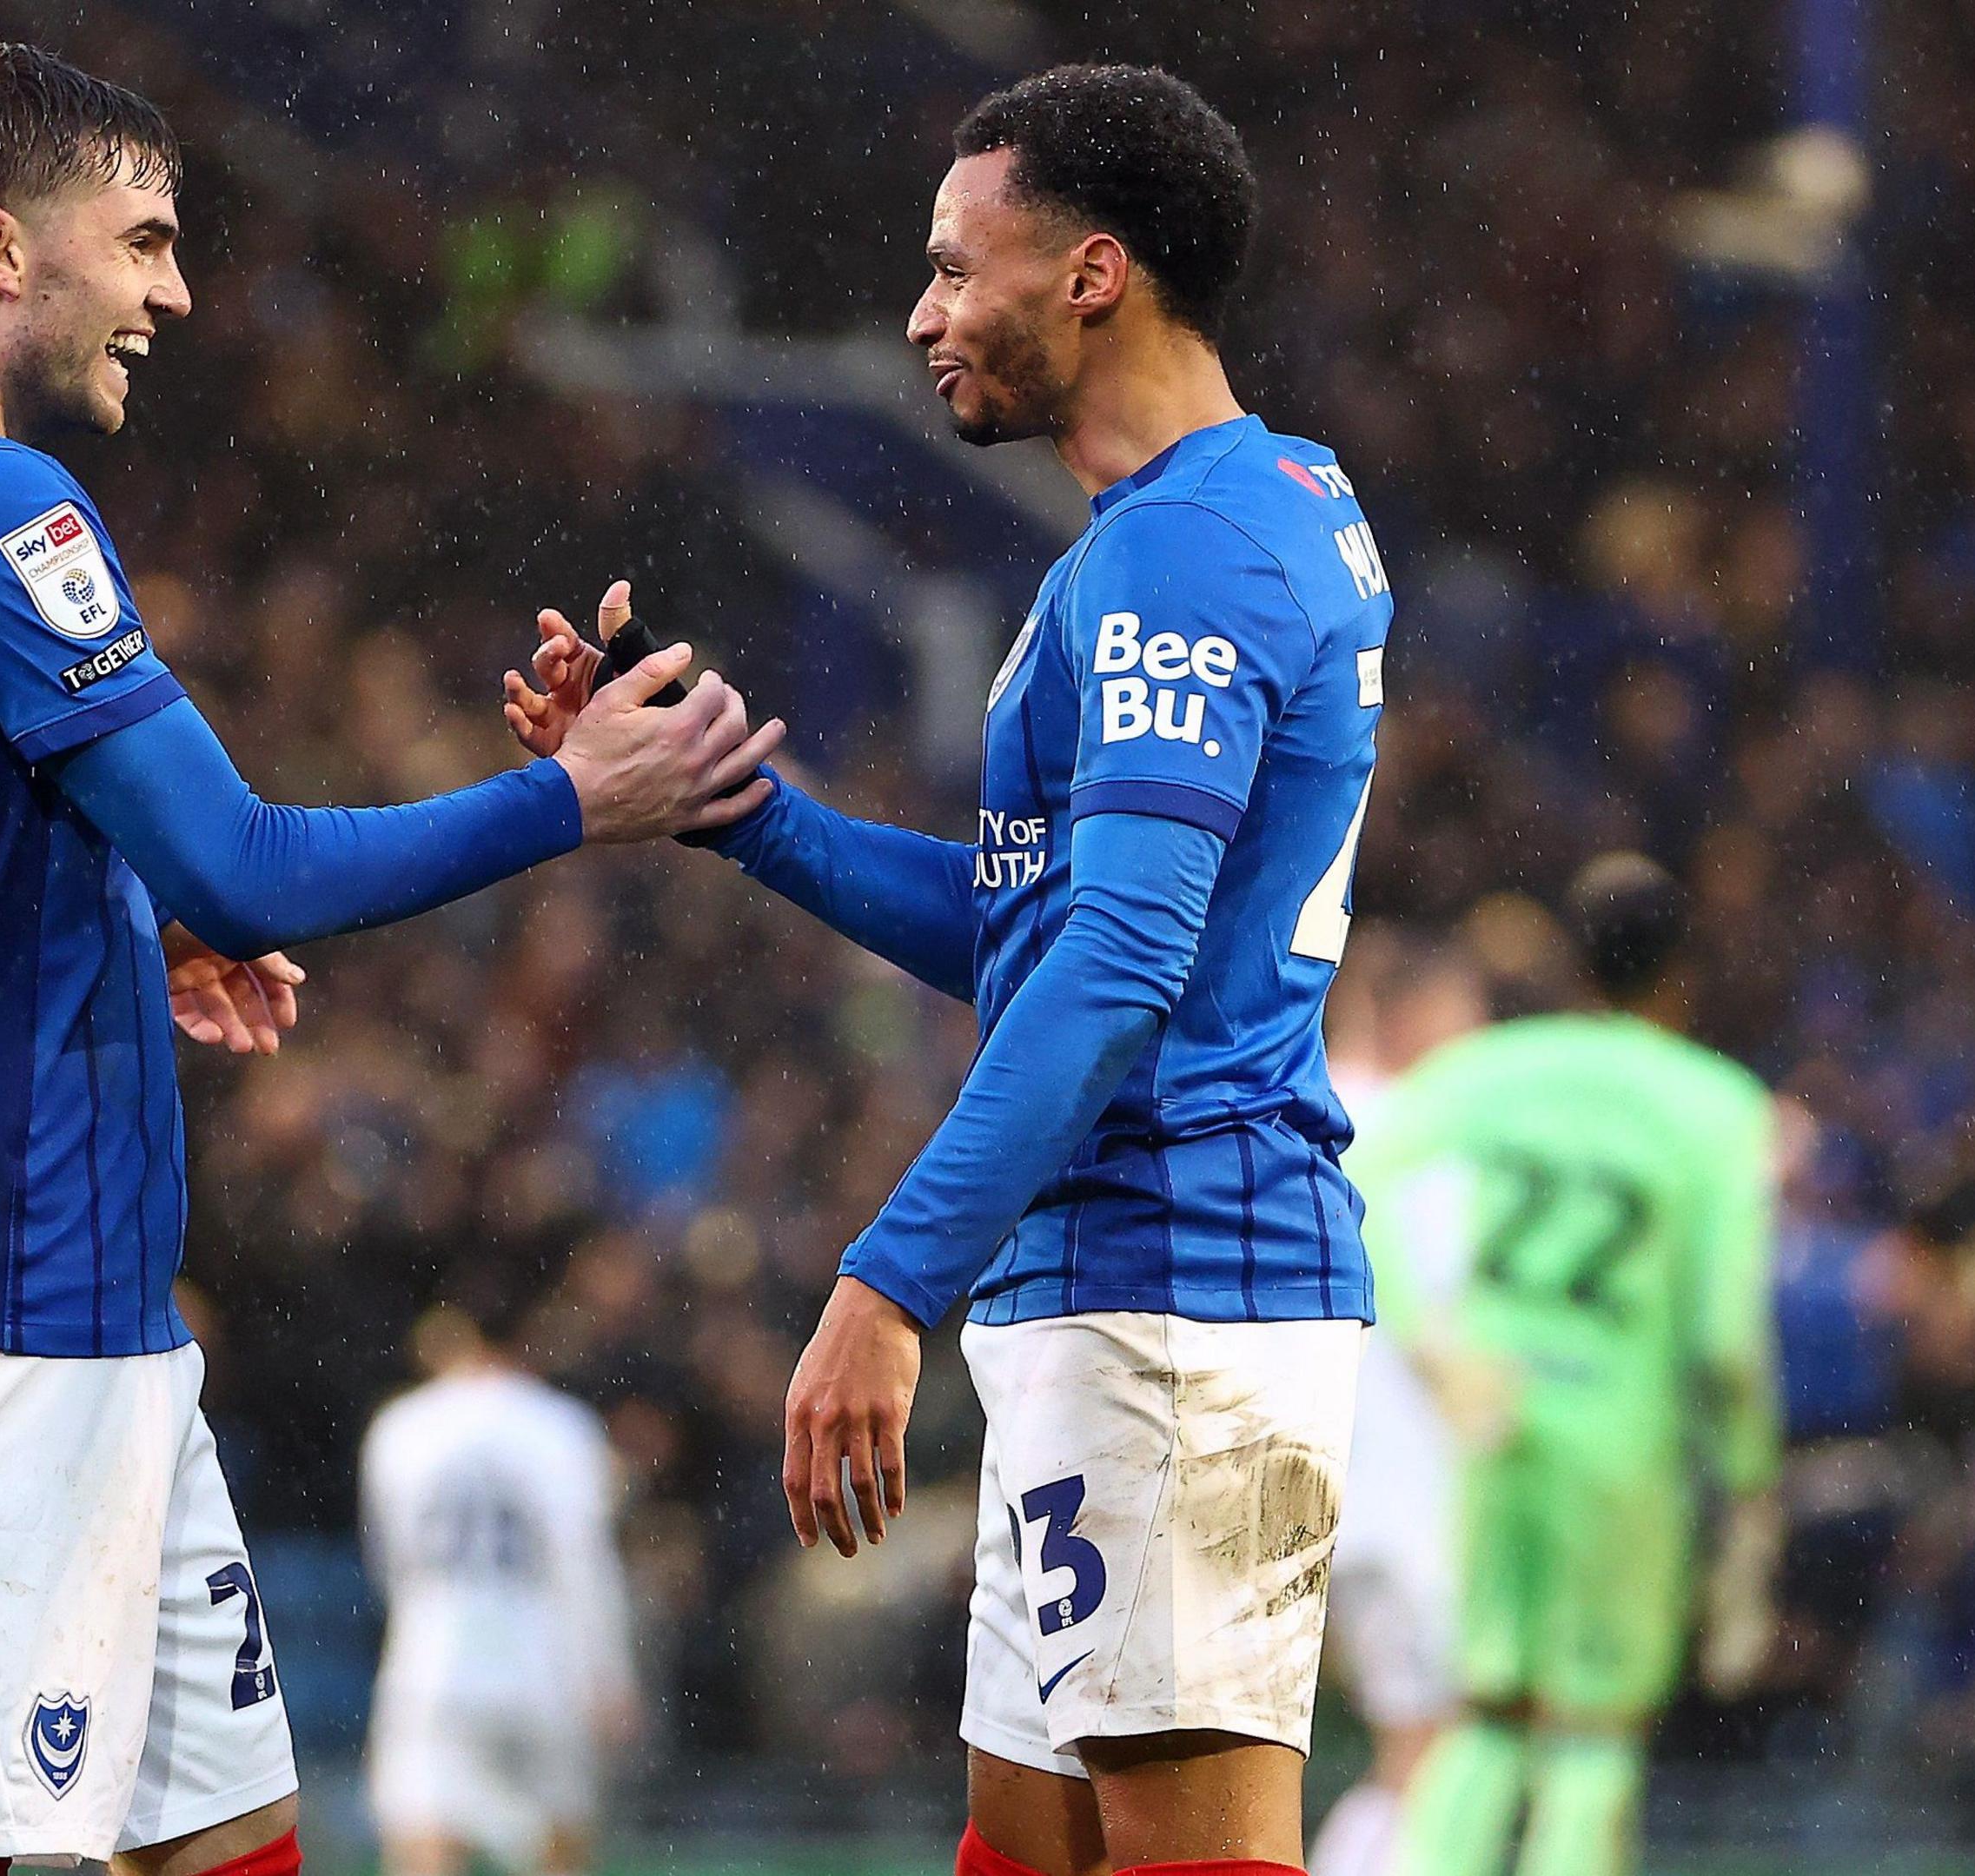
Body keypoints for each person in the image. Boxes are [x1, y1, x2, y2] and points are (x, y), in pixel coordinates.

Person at [0, 42, 768, 1876]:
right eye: (142, 242)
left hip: (79, 1306)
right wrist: (568, 799)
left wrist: (129, 923)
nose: (174, 294)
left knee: (228, 1832)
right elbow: (253, 859)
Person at [509, 60, 1391, 1876]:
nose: (921, 316)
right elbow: (1036, 929)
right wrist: (737, 805)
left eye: (951, 268)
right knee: (1022, 1847)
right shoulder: (1241, 511)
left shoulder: (1188, 558)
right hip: (1118, 1288)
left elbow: (1125, 961)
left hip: (1182, 1294)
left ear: (1090, 274)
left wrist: (890, 1281)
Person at [1366, 856, 1783, 1876]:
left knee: (1490, 1715)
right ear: (1681, 973)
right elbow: (1726, 1342)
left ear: (1574, 965)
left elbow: (1358, 1180)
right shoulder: (1718, 1107)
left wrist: (1434, 1347)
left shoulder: (1493, 1070)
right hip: (1621, 1450)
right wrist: (1751, 1494)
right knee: (1593, 1733)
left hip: (1498, 1427)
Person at [1309, 932, 1489, 1876]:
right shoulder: (1430, 1137)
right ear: (1413, 1013)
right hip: (1411, 1499)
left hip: (1299, 1487)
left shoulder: (1283, 1104)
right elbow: (1461, 1329)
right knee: (1437, 1756)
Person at [360, 1291, 640, 1876]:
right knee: (557, 1852)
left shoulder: (400, 1425)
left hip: (433, 1659)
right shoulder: (563, 1424)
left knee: (425, 1847)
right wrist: (610, 1675)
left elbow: (388, 1563)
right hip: (543, 1665)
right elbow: (583, 1563)